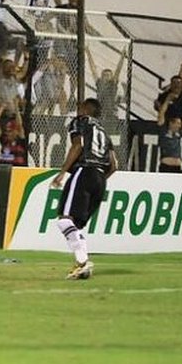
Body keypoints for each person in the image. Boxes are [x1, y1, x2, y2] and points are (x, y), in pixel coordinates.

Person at [50, 98, 118, 280]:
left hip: (84, 171)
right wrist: (98, 180)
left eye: (80, 107)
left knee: (64, 221)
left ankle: (83, 262)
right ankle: (82, 266)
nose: (77, 110)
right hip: (100, 178)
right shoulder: (104, 132)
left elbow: (78, 145)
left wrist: (63, 172)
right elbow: (114, 165)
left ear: (86, 109)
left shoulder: (80, 122)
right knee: (75, 226)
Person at [156, 95, 182, 173]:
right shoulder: (164, 130)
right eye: (178, 123)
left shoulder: (179, 132)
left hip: (177, 167)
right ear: (171, 123)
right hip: (166, 166)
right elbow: (161, 114)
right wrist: (167, 101)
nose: (179, 125)